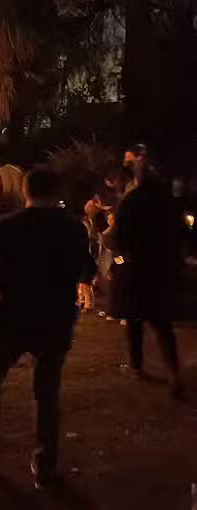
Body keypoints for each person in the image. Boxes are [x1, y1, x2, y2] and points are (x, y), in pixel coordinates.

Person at [0, 166, 94, 489]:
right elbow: (85, 268)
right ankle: (45, 464)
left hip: (10, 317)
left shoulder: (5, 226)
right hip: (54, 319)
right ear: (57, 193)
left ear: (25, 191)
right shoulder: (73, 228)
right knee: (47, 391)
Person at [104, 157, 183, 398]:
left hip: (134, 268)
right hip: (160, 269)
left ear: (138, 178)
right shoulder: (168, 201)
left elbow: (118, 237)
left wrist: (116, 254)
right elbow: (180, 233)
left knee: (134, 320)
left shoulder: (131, 201)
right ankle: (173, 372)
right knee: (162, 323)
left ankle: (137, 366)